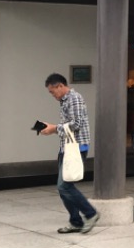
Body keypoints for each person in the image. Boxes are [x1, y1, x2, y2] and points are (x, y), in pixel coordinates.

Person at [40, 72, 100, 234]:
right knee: (63, 188)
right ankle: (76, 222)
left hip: (76, 148)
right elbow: (69, 125)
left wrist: (54, 128)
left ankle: (91, 213)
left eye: (52, 91)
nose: (52, 95)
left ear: (60, 86)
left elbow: (76, 124)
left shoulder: (74, 98)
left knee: (64, 186)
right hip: (67, 148)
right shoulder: (66, 100)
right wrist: (51, 129)